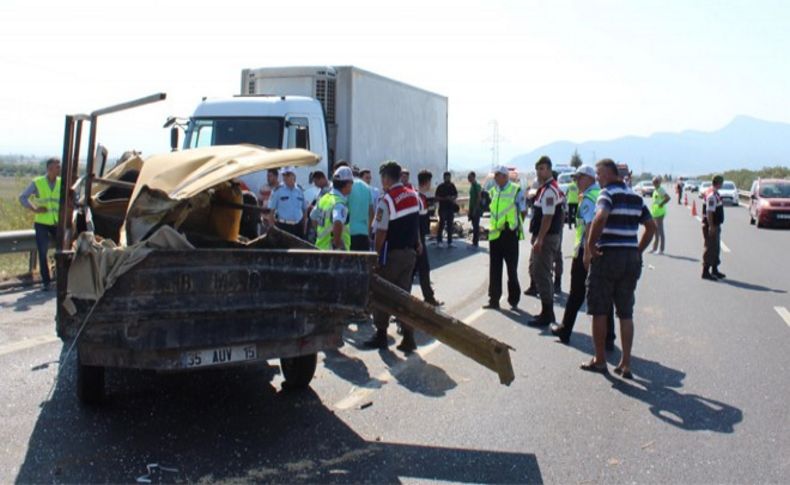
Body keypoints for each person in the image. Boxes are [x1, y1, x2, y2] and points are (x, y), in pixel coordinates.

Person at [582, 159, 656, 377]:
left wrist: (591, 245)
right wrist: (637, 250)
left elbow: (601, 216)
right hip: (629, 259)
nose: (597, 178)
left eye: (598, 174)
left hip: (608, 257)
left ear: (609, 174)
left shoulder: (607, 194)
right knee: (625, 312)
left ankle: (600, 360)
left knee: (599, 310)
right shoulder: (636, 196)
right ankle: (626, 363)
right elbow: (650, 227)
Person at [550, 166, 616, 349]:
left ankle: (565, 329)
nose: (575, 182)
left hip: (585, 250)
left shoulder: (588, 197)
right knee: (605, 294)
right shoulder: (600, 193)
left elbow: (588, 227)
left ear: (588, 178)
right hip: (601, 249)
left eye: (578, 178)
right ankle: (609, 337)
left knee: (576, 292)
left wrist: (586, 253)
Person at [364, 161, 423, 353]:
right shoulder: (414, 195)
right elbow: (417, 223)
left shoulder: (387, 200)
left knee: (382, 294)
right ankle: (408, 336)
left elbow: (381, 232)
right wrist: (418, 243)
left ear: (387, 178)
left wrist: (376, 256)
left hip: (392, 255)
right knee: (403, 295)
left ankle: (381, 334)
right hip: (410, 253)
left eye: (382, 177)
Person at [527, 156, 565, 327]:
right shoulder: (545, 189)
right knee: (541, 272)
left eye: (542, 168)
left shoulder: (549, 190)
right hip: (548, 236)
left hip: (547, 238)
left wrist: (540, 239)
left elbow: (548, 217)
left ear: (549, 169)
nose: (539, 172)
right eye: (538, 169)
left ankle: (547, 313)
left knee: (542, 274)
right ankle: (546, 311)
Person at [483, 165, 526, 310]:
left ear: (505, 176)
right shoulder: (493, 191)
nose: (495, 178)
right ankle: (494, 299)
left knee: (511, 269)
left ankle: (514, 299)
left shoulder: (515, 190)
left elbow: (523, 211)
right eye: (495, 175)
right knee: (494, 269)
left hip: (509, 235)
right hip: (495, 234)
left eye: (498, 175)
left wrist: (514, 225)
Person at [18, 157, 61, 291]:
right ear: (49, 169)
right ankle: (46, 282)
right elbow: (23, 197)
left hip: (57, 222)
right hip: (42, 223)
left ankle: (60, 278)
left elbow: (73, 198)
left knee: (63, 250)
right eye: (57, 167)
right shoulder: (38, 182)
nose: (60, 169)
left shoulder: (62, 182)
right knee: (42, 252)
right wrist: (34, 209)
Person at [415, 170, 443, 306]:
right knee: (420, 270)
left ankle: (429, 297)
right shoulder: (418, 199)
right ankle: (428, 298)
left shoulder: (420, 197)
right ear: (426, 182)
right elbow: (416, 222)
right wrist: (419, 241)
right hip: (417, 240)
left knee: (420, 270)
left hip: (418, 239)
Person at [312, 167, 353, 251]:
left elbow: (312, 217)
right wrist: (337, 243)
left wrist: (321, 234)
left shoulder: (324, 199)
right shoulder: (339, 203)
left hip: (320, 248)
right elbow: (337, 222)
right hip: (334, 255)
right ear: (348, 184)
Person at [268, 166, 307, 238]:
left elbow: (304, 210)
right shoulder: (278, 191)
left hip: (298, 227)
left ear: (294, 176)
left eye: (288, 174)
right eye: (283, 175)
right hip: (283, 226)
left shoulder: (300, 191)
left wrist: (304, 229)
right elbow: (271, 211)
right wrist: (272, 229)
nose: (285, 177)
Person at [701, 175, 727, 281]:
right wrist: (711, 226)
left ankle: (715, 269)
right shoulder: (712, 195)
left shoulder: (714, 193)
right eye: (722, 182)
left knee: (716, 248)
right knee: (710, 248)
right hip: (711, 225)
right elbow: (709, 212)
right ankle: (705, 271)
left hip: (715, 224)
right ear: (719, 183)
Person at [344, 164, 374, 251]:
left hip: (350, 233)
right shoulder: (367, 188)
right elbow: (371, 213)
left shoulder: (348, 187)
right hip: (364, 233)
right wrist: (368, 232)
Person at [434, 171, 458, 247]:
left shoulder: (452, 186)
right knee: (441, 224)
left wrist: (452, 198)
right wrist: (445, 198)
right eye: (446, 177)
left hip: (450, 208)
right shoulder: (440, 187)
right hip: (443, 209)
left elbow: (456, 195)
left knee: (450, 225)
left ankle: (450, 242)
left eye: (449, 177)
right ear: (444, 178)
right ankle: (439, 241)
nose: (448, 178)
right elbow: (436, 198)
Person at [649, 175, 671, 254]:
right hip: (655, 213)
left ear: (659, 183)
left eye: (656, 182)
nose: (654, 183)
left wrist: (661, 204)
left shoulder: (661, 190)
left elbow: (668, 198)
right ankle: (654, 248)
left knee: (660, 231)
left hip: (660, 213)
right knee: (655, 231)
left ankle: (661, 249)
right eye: (653, 182)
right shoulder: (655, 190)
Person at [467, 171, 482, 248]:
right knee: (473, 225)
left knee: (476, 226)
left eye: (470, 177)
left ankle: (475, 242)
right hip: (472, 208)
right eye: (468, 177)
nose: (468, 179)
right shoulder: (472, 186)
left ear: (473, 177)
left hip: (476, 209)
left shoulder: (477, 185)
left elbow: (479, 198)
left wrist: (475, 209)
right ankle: (474, 241)